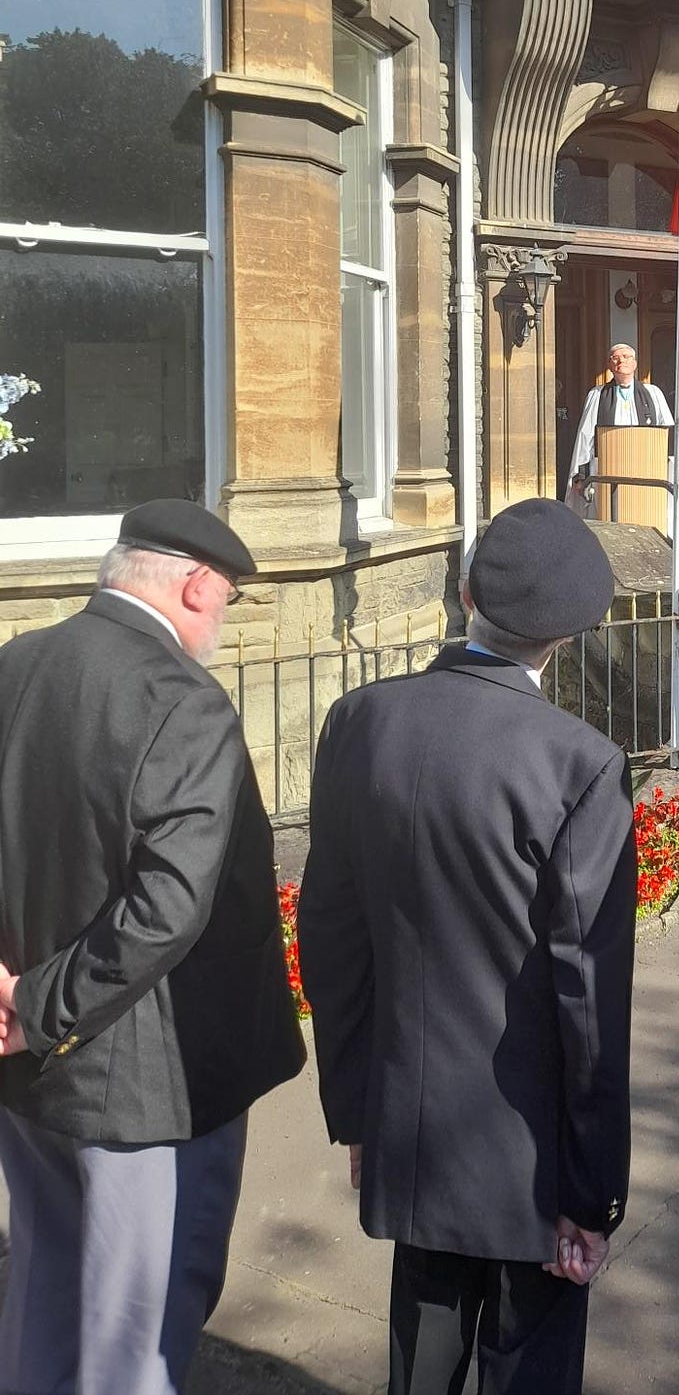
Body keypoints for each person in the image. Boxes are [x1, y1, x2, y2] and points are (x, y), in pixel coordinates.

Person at [298, 500, 635, 1395]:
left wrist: (362, 1110)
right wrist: (594, 1190)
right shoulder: (581, 765)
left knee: (420, 1368)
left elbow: (328, 936)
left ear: (463, 593)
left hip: (413, 1134)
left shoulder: (359, 720)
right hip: (537, 1161)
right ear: (565, 636)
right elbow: (589, 1004)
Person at [0, 500, 305, 1395]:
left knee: (43, 1291)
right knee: (138, 1331)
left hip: (27, 1072)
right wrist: (34, 1004)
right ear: (197, 584)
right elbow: (165, 909)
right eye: (227, 603)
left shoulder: (16, 661)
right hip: (147, 1091)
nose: (219, 625)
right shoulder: (184, 701)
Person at [566, 342, 673, 503]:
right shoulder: (597, 395)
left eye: (625, 357)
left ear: (635, 363)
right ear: (609, 365)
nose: (621, 361)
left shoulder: (653, 393)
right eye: (615, 358)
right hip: (609, 469)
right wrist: (581, 475)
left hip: (646, 468)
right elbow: (585, 436)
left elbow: (668, 434)